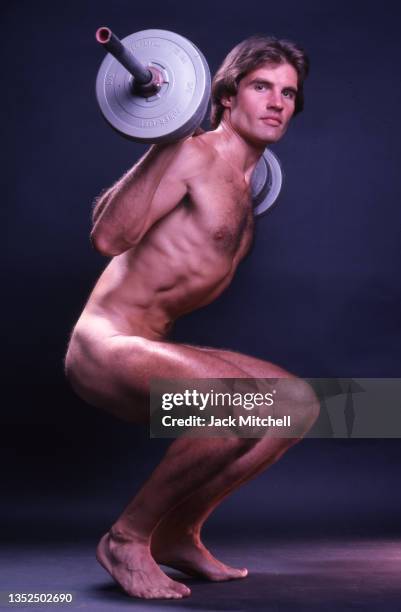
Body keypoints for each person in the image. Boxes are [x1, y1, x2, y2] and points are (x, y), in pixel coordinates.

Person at [65, 34, 319, 600]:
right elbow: (108, 235)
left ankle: (178, 532)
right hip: (104, 345)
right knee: (234, 407)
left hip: (149, 343)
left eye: (288, 93)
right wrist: (168, 134)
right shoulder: (191, 153)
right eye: (261, 87)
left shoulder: (247, 183)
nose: (278, 102)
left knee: (296, 404)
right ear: (226, 95)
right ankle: (126, 539)